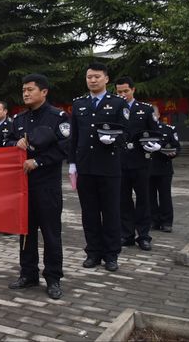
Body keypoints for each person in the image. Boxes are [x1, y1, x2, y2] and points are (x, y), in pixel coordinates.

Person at [5, 74, 69, 300]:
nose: (25, 93)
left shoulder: (57, 117)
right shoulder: (19, 119)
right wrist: (15, 143)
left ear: (44, 92)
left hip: (47, 185)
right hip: (24, 186)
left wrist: (38, 161)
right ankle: (28, 274)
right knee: (26, 232)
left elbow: (65, 147)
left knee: (51, 234)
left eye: (30, 89)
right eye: (23, 90)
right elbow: (7, 142)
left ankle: (53, 277)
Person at [69, 62, 130, 272]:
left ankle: (111, 254)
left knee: (111, 212)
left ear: (106, 79)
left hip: (109, 167)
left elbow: (127, 133)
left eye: (97, 77)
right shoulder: (79, 104)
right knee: (89, 213)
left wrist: (113, 140)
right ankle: (93, 252)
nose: (93, 80)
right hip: (85, 166)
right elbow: (74, 137)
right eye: (89, 77)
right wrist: (72, 163)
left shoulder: (118, 103)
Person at [114, 76, 159, 251]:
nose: (123, 94)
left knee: (143, 199)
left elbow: (155, 132)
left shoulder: (145, 109)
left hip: (141, 161)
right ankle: (127, 234)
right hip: (120, 161)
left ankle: (144, 236)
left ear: (133, 90)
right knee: (123, 200)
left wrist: (156, 145)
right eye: (119, 92)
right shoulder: (114, 109)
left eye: (126, 91)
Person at [150, 106, 180, 233]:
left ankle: (167, 222)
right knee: (149, 197)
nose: (152, 117)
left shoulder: (168, 129)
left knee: (165, 196)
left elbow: (176, 147)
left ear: (158, 115)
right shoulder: (143, 130)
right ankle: (153, 221)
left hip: (164, 168)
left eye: (154, 114)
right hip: (147, 168)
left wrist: (169, 151)